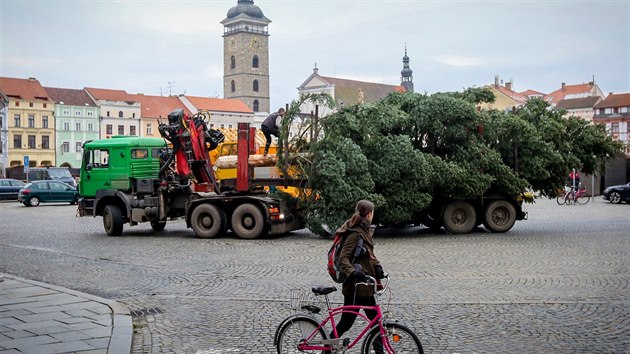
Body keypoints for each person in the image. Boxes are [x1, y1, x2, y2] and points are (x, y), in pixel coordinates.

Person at [326, 199, 386, 354]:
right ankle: (327, 348)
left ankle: (380, 352)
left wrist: (378, 266)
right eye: (373, 212)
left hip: (365, 287)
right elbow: (343, 258)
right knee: (346, 324)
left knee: (376, 323)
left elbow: (369, 254)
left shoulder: (364, 230)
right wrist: (353, 272)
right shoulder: (355, 233)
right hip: (355, 288)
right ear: (370, 214)